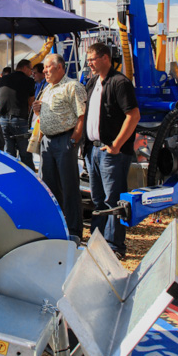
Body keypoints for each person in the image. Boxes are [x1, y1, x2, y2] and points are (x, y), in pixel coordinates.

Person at [82, 42, 140, 257]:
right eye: (88, 60)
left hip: (111, 152)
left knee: (113, 200)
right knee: (98, 199)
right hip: (93, 150)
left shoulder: (120, 83)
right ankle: (97, 244)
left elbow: (133, 115)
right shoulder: (92, 83)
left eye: (92, 59)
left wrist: (116, 145)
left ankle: (114, 246)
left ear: (105, 58)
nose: (89, 63)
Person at [32, 54, 87, 239]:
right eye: (44, 68)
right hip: (47, 141)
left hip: (65, 140)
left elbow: (81, 116)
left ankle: (74, 231)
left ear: (60, 67)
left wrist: (73, 140)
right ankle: (56, 228)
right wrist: (39, 110)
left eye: (48, 67)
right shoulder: (47, 88)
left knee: (69, 187)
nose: (44, 71)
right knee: (49, 188)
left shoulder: (72, 86)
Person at [0, 58, 36, 169]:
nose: (31, 73)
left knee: (9, 153)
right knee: (25, 153)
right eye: (31, 69)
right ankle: (28, 177)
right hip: (19, 118)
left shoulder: (4, 79)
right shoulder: (28, 80)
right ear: (25, 68)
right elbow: (31, 101)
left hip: (3, 118)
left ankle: (11, 175)